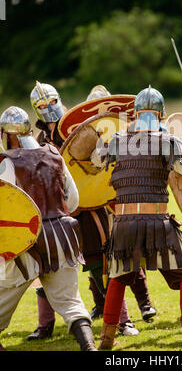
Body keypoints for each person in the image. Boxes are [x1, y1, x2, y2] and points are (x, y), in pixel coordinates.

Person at [91, 85, 182, 351]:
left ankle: (106, 340)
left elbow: (95, 161)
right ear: (161, 114)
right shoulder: (168, 141)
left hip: (123, 223)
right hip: (156, 223)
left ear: (136, 113)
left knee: (118, 278)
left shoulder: (116, 140)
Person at [27, 81, 154, 340]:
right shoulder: (38, 141)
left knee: (102, 265)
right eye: (42, 105)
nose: (48, 108)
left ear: (59, 99)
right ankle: (45, 325)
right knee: (48, 267)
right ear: (36, 109)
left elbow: (99, 164)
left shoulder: (78, 129)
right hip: (56, 214)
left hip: (87, 208)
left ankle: (122, 321)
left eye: (51, 102)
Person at [0, 106, 97, 351]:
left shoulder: (7, 164)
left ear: (6, 134)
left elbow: (8, 208)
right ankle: (89, 347)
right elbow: (72, 201)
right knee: (70, 302)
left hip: (27, 243)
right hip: (62, 238)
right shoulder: (54, 154)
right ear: (29, 130)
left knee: (2, 297)